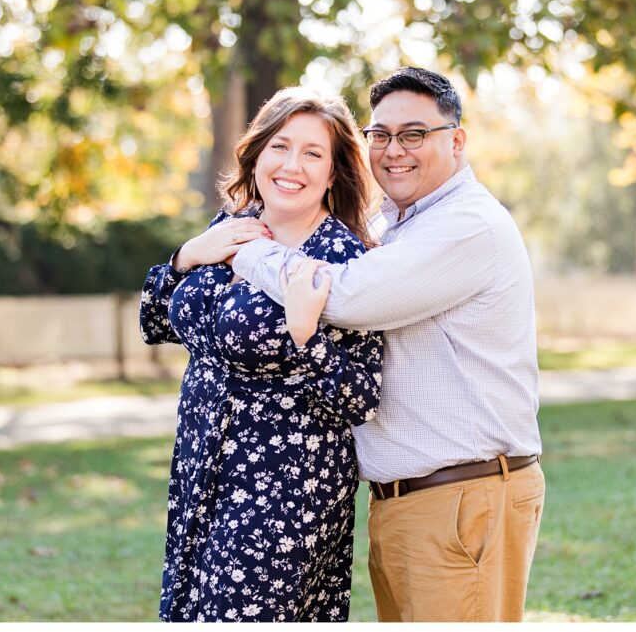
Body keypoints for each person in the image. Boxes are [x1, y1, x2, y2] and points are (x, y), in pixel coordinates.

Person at [232, 67, 545, 622]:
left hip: (461, 499)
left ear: (457, 140)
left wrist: (244, 248)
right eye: (380, 135)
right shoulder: (393, 223)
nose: (393, 150)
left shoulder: (466, 225)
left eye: (414, 134)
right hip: (407, 502)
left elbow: (345, 296)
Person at [139, 87, 384, 622]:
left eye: (313, 153)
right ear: (256, 154)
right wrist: (184, 258)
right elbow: (155, 322)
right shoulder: (230, 228)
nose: (291, 165)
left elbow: (362, 398)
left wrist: (306, 339)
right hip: (201, 468)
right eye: (280, 146)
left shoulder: (342, 260)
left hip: (285, 486)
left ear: (335, 171)